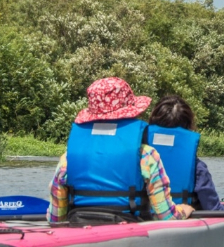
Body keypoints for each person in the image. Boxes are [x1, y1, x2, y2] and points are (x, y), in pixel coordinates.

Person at [47, 77, 195, 225]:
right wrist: (183, 210)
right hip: (128, 228)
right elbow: (166, 217)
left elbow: (56, 218)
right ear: (131, 114)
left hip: (79, 224)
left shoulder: (68, 159)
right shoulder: (146, 155)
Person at [146, 94, 224, 212]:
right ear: (189, 126)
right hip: (181, 221)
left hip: (140, 218)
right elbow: (213, 209)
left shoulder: (137, 162)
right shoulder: (197, 169)